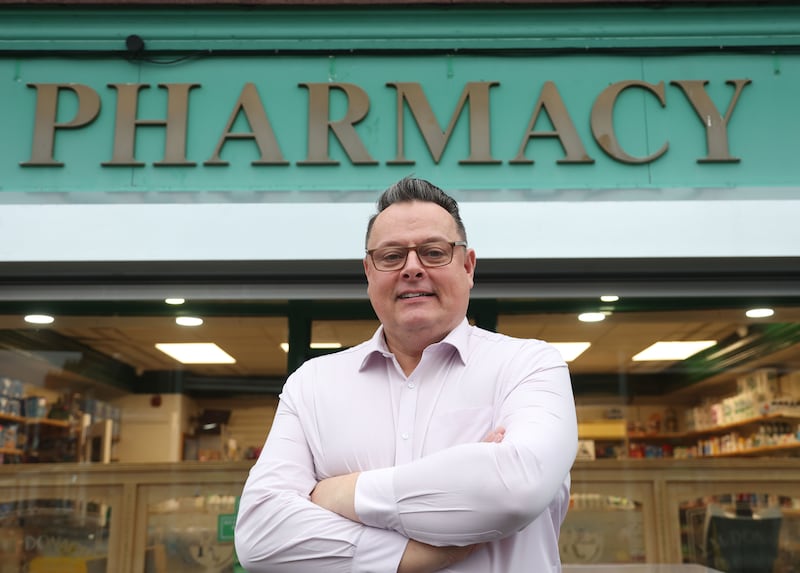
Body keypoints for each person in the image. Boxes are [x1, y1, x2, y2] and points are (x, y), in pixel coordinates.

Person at [235, 176, 578, 572]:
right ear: (369, 272)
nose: (412, 269)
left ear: (468, 266)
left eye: (433, 252)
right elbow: (259, 535)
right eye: (391, 256)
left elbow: (514, 490)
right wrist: (410, 554)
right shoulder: (311, 384)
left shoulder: (530, 366)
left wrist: (340, 494)